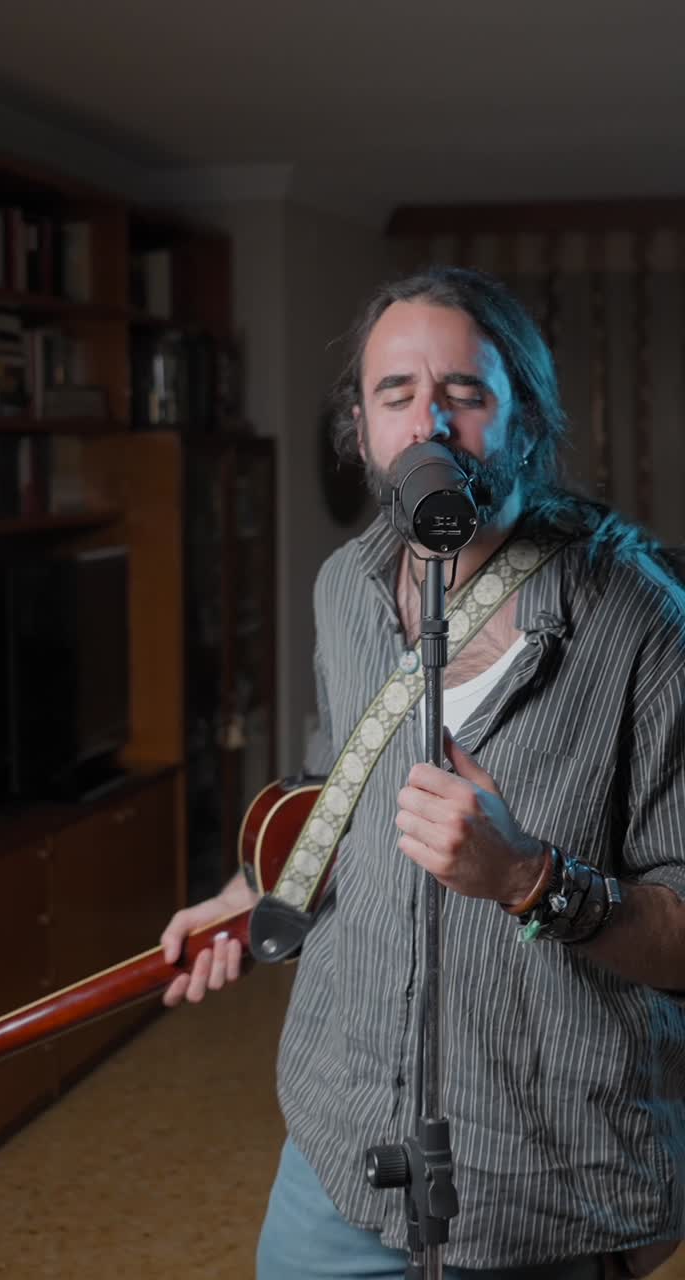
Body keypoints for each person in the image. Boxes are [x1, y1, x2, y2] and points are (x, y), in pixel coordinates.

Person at [161, 267, 685, 1280]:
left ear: (526, 417)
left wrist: (534, 879)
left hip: (546, 1188)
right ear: (360, 429)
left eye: (465, 394)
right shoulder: (343, 589)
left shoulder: (645, 620)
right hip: (339, 1142)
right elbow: (334, 782)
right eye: (395, 394)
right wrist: (249, 891)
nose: (427, 424)